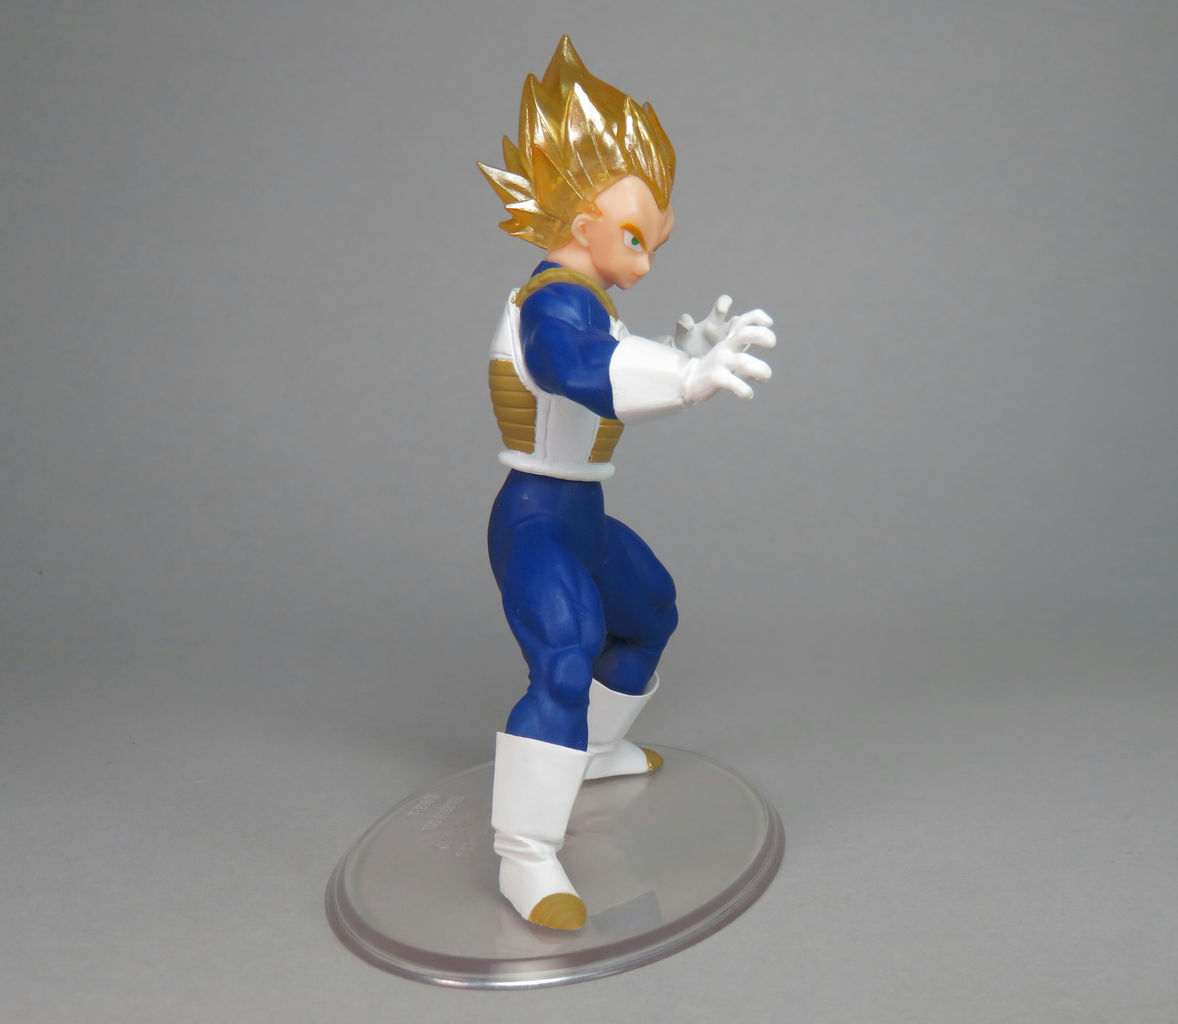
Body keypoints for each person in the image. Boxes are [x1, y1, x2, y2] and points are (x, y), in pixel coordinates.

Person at [479, 36, 775, 930]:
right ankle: (524, 852)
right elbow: (577, 370)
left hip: (582, 509)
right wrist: (685, 377)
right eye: (636, 239)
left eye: (655, 242)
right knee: (564, 657)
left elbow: (609, 355)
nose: (645, 263)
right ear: (582, 225)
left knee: (648, 612)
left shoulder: (588, 299)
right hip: (535, 516)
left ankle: (594, 752)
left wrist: (677, 353)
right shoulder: (551, 303)